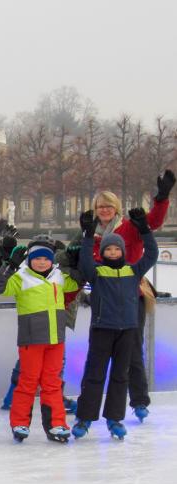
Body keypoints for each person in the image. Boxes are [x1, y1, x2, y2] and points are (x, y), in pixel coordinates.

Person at [88, 171, 173, 422]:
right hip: (103, 298)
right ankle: (93, 402)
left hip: (130, 295)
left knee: (133, 348)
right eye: (100, 206)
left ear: (116, 208)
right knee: (100, 351)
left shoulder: (129, 227)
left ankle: (138, 400)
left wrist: (162, 198)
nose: (104, 210)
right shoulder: (89, 232)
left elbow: (154, 222)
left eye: (109, 206)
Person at [73, 208, 158, 441]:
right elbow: (85, 259)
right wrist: (88, 234)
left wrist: (144, 230)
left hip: (127, 331)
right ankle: (85, 417)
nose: (112, 252)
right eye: (108, 249)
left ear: (122, 251)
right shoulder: (97, 272)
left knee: (120, 376)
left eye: (116, 248)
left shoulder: (133, 270)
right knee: (94, 374)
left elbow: (151, 254)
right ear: (103, 252)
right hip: (103, 330)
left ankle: (115, 418)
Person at [0, 238, 80, 442]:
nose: (41, 262)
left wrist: (74, 262)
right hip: (31, 340)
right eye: (37, 258)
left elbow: (79, 281)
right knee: (28, 381)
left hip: (56, 340)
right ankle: (20, 422)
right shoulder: (20, 277)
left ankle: (57, 424)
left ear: (52, 261)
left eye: (45, 259)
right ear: (30, 260)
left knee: (52, 383)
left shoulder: (60, 277)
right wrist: (9, 265)